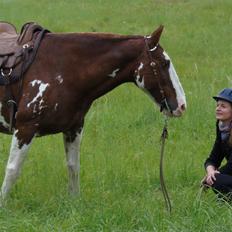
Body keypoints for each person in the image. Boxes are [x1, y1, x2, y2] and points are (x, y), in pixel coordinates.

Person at [203, 88, 232, 200]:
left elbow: (231, 166)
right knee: (216, 178)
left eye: (223, 106)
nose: (218, 109)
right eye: (217, 105)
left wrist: (211, 176)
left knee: (217, 179)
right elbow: (212, 159)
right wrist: (210, 171)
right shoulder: (222, 128)